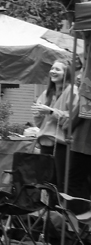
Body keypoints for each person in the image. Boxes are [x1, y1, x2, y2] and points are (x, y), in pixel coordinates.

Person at [31, 59, 76, 192]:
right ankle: (50, 210)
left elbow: (73, 117)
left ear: (66, 73)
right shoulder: (46, 93)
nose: (53, 71)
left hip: (62, 145)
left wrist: (51, 111)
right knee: (46, 183)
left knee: (60, 182)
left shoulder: (72, 91)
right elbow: (40, 124)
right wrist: (38, 113)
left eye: (58, 69)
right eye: (52, 68)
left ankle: (59, 210)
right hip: (45, 144)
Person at [68, 64, 91, 213]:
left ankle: (78, 227)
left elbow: (84, 110)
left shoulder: (87, 84)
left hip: (84, 143)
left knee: (75, 183)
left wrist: (66, 125)